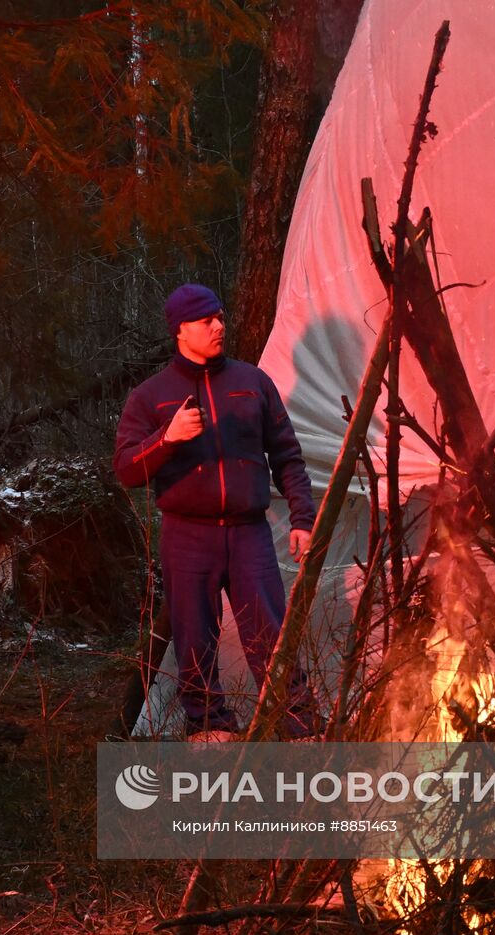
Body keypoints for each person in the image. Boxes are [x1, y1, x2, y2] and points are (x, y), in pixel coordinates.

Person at [114, 283, 318, 740]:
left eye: (220, 317)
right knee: (194, 637)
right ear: (180, 331)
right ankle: (209, 727)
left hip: (249, 532)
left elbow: (287, 456)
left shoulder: (252, 383)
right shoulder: (152, 396)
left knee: (270, 632)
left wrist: (303, 518)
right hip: (188, 535)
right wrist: (166, 438)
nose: (219, 326)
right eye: (207, 320)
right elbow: (126, 469)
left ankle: (299, 725)